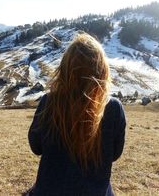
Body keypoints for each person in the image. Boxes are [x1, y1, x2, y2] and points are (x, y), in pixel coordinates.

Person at [27, 33, 126, 196]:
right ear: (102, 71)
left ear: (64, 69)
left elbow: (36, 147)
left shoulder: (49, 101)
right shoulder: (113, 107)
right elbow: (115, 154)